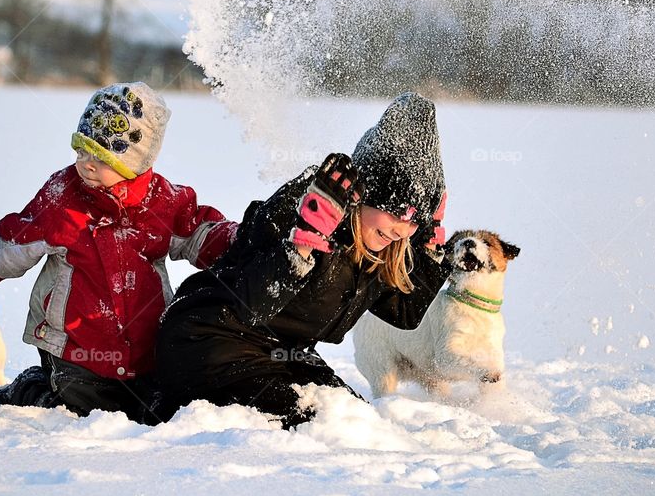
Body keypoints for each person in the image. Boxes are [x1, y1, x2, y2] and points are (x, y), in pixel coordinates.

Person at [0, 82, 236, 423]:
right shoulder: (63, 198)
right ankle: (34, 389)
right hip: (75, 347)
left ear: (136, 161)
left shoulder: (163, 202)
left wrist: (243, 241)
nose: (87, 164)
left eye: (101, 156)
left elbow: (199, 233)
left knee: (153, 410)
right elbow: (13, 244)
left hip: (145, 347)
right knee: (85, 410)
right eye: (81, 150)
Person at [155, 92, 451, 428]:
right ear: (367, 193)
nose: (403, 228)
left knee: (358, 421)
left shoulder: (380, 244)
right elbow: (251, 304)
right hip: (209, 342)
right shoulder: (308, 204)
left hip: (281, 353)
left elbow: (405, 312)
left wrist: (430, 246)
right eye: (398, 212)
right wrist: (303, 245)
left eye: (417, 220)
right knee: (317, 423)